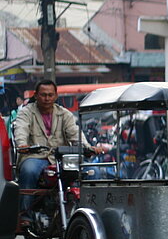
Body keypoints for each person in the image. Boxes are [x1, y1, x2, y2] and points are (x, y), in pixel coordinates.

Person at [14, 80, 104, 220]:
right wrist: (22, 144)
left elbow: (75, 134)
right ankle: (25, 214)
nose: (47, 98)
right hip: (36, 157)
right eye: (43, 95)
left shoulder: (65, 114)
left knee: (93, 171)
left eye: (50, 95)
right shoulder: (26, 113)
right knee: (29, 170)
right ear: (36, 95)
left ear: (56, 96)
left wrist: (88, 148)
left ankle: (92, 213)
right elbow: (21, 129)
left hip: (62, 159)